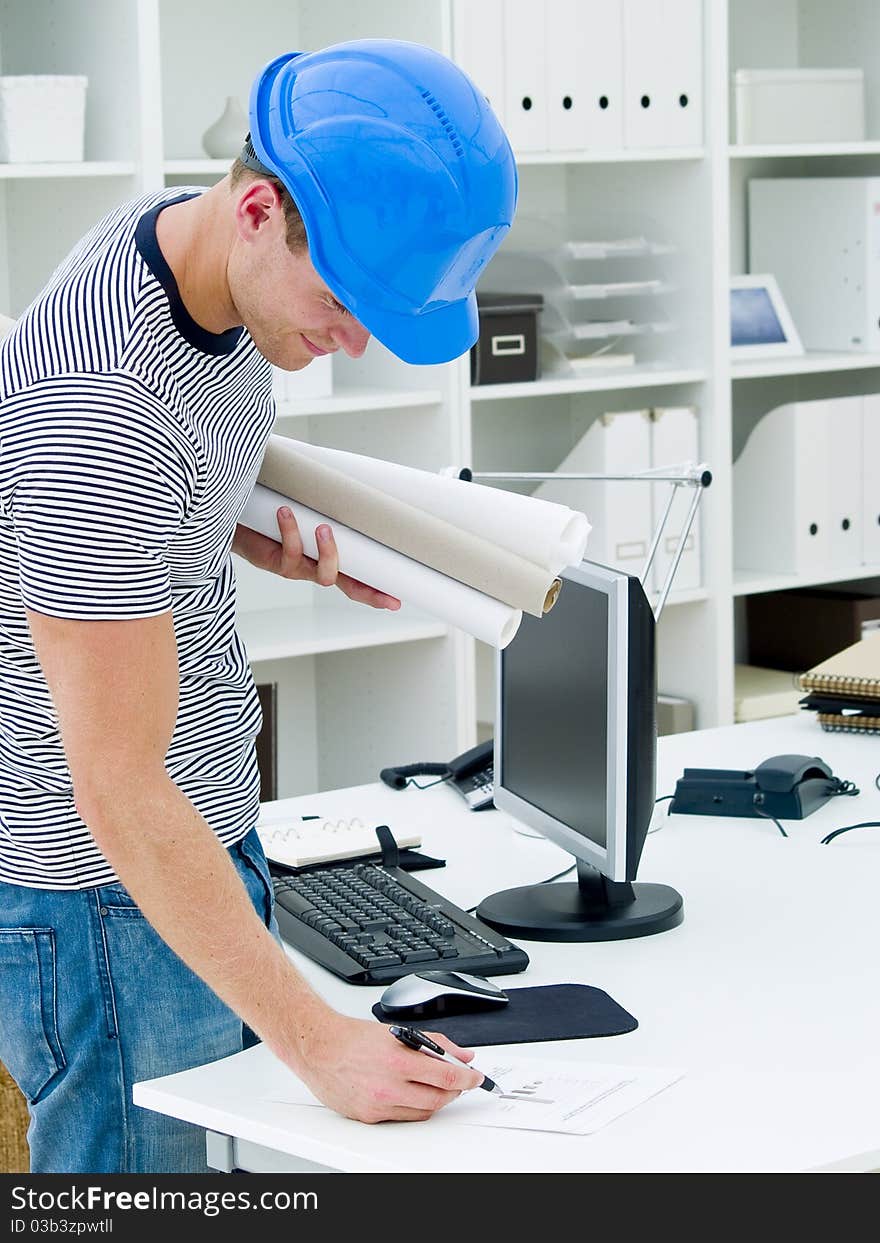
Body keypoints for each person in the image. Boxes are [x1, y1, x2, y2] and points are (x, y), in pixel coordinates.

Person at [0, 39, 517, 1173]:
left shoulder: (192, 254)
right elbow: (117, 787)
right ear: (256, 208)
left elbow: (155, 489)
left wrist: (247, 537)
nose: (355, 339)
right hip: (105, 890)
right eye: (343, 299)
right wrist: (316, 1039)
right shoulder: (96, 409)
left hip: (201, 830)